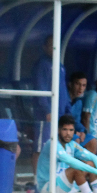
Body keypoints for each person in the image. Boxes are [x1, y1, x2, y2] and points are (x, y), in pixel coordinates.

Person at [36, 114, 97, 193]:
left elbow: (93, 157)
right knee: (75, 169)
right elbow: (70, 161)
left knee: (91, 163)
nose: (68, 133)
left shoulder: (72, 144)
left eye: (71, 130)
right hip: (48, 189)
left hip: (63, 186)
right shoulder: (52, 143)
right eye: (65, 130)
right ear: (58, 130)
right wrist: (95, 171)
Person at [33, 36, 69, 170]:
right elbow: (41, 89)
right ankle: (37, 179)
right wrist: (47, 110)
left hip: (60, 114)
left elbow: (64, 91)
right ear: (45, 47)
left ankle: (53, 177)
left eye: (56, 46)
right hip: (46, 115)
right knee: (41, 147)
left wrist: (67, 110)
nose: (54, 49)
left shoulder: (60, 66)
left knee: (56, 147)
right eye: (51, 46)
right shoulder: (42, 65)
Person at [64, 71, 97, 154]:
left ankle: (86, 163)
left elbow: (77, 122)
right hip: (62, 132)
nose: (81, 88)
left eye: (83, 85)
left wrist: (83, 131)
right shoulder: (62, 98)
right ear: (70, 84)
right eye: (77, 84)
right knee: (76, 139)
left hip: (73, 132)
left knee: (93, 141)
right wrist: (75, 132)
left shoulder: (79, 102)